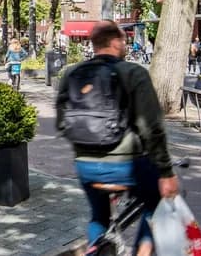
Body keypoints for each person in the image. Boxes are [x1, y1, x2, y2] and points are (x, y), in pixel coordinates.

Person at [56, 21, 178, 256]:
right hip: (127, 166)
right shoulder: (133, 73)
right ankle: (142, 252)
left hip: (85, 166)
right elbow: (151, 127)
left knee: (98, 216)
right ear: (115, 43)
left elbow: (63, 122)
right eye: (123, 40)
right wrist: (166, 172)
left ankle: (96, 250)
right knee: (158, 203)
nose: (125, 45)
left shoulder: (72, 74)